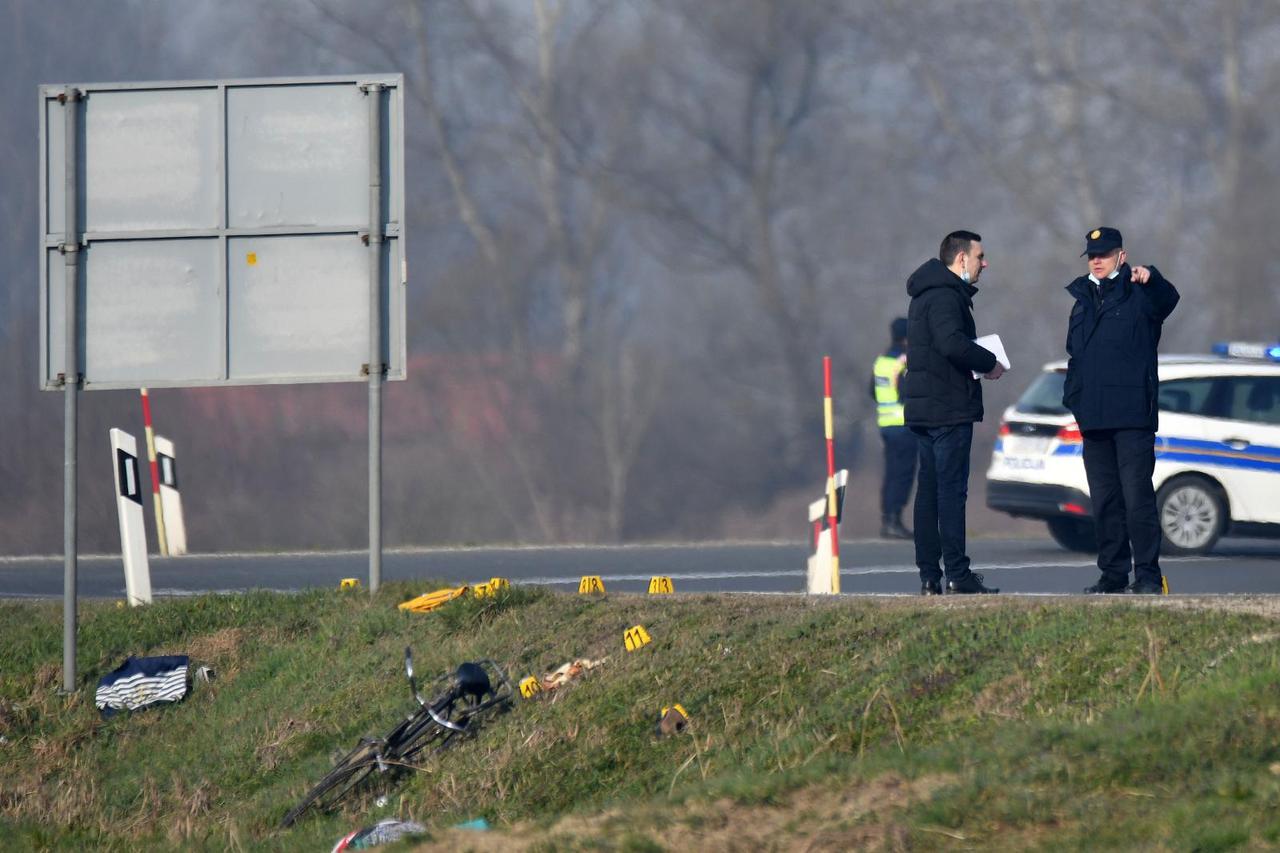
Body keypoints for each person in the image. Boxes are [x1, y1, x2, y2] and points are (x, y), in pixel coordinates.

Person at [1063, 227, 1179, 594]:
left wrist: (1152, 276)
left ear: (1121, 256)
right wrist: (1075, 401)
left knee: (1137, 500)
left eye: (1104, 253)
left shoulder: (1140, 293)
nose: (1097, 260)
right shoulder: (1082, 300)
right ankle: (1112, 574)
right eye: (1092, 255)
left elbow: (1168, 300)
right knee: (1106, 503)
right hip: (1094, 419)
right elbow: (1076, 356)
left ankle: (1146, 576)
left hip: (1131, 418)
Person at [902, 231, 1005, 595]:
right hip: (947, 409)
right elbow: (950, 343)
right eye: (980, 256)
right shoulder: (947, 295)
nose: (984, 263)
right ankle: (957, 574)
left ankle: (929, 575)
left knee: (928, 492)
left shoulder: (924, 294)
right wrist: (989, 362)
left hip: (924, 408)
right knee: (950, 492)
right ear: (961, 259)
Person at [870, 318, 915, 539]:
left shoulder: (881, 361)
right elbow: (908, 391)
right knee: (903, 475)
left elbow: (872, 391)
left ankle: (887, 519)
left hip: (885, 424)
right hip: (904, 424)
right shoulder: (904, 361)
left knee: (890, 474)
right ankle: (895, 521)